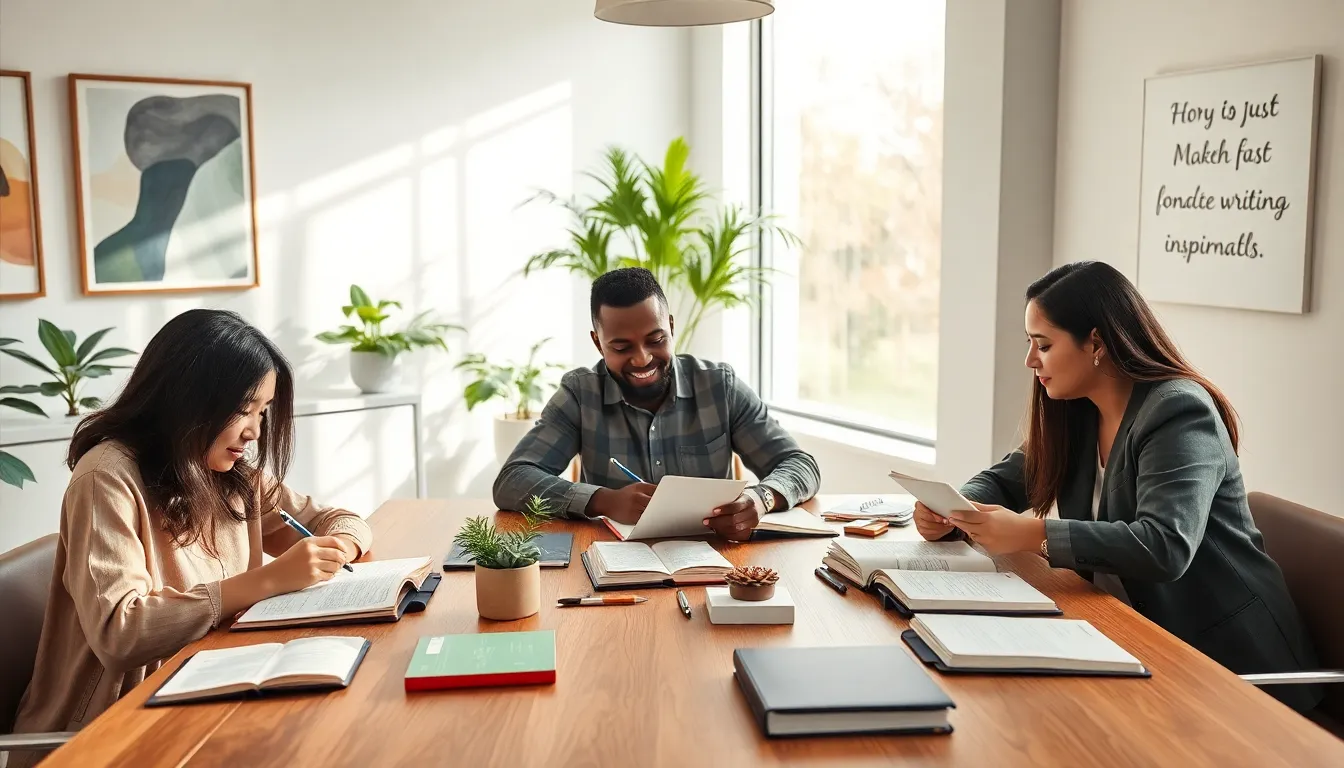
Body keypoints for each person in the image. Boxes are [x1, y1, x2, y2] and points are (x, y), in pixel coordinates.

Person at [914, 261, 1319, 712]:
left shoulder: (1178, 412)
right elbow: (1005, 480)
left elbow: (1166, 545)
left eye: (1043, 345)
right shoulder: (1078, 411)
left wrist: (1036, 534)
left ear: (1096, 343)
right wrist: (952, 510)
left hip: (1225, 663)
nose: (1030, 360)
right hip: (1129, 637)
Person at [11, 310, 371, 763]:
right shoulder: (106, 478)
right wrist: (268, 580)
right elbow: (121, 634)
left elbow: (339, 518)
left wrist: (340, 547)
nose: (255, 431)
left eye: (262, 411)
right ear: (188, 398)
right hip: (106, 729)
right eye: (243, 409)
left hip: (203, 686)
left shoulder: (228, 473)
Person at [493, 267, 820, 540]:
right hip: (614, 569)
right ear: (598, 342)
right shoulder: (581, 394)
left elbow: (800, 464)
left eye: (656, 340)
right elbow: (512, 481)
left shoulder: (719, 386)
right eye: (621, 347)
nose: (642, 358)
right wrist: (602, 501)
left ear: (672, 327)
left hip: (716, 564)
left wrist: (760, 499)